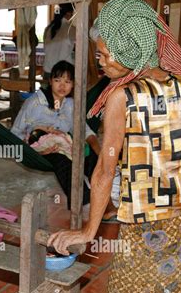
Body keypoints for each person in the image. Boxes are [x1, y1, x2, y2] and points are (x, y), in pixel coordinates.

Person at [49, 0, 181, 293]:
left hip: (147, 229)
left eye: (105, 54)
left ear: (130, 50)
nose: (101, 61)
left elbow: (104, 171)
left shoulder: (123, 97)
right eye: (98, 53)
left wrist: (88, 231)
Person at [11, 60, 118, 221]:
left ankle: (106, 203)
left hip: (63, 145)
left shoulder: (70, 104)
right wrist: (33, 150)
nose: (62, 86)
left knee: (93, 161)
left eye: (67, 81)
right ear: (50, 81)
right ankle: (85, 205)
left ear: (73, 84)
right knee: (64, 163)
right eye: (57, 80)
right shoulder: (34, 103)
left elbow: (83, 130)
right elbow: (15, 133)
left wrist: (99, 151)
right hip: (38, 150)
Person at [42, 3, 75, 82]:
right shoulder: (71, 29)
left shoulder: (49, 28)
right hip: (62, 73)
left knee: (47, 94)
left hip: (47, 70)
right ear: (69, 13)